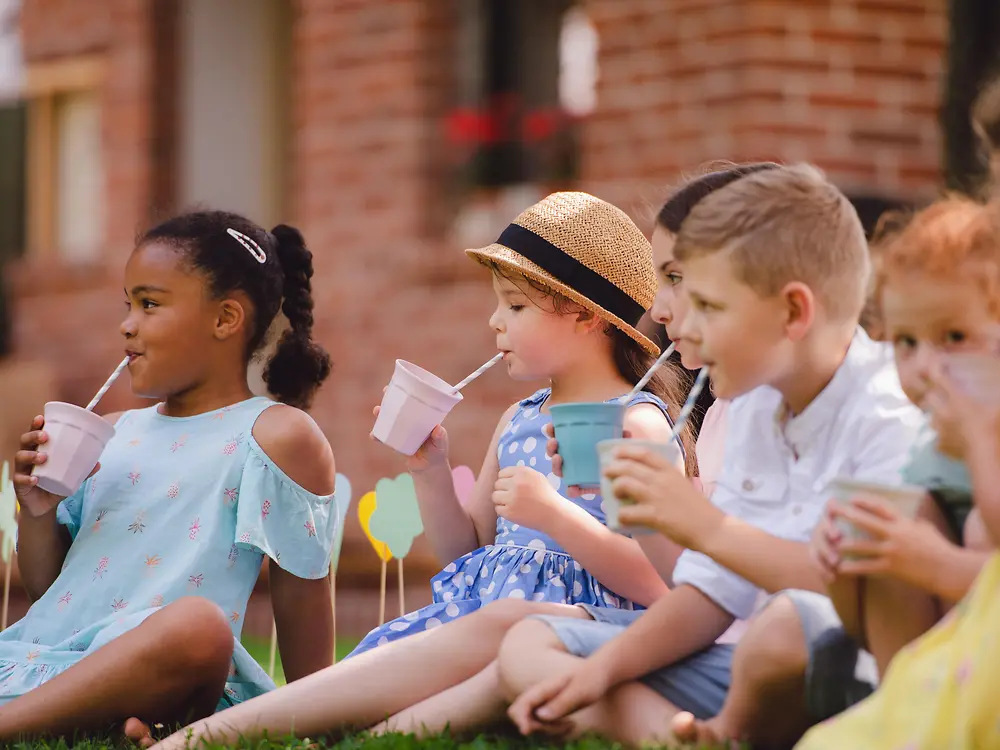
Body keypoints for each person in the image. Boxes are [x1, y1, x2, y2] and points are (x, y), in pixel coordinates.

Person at [151, 191, 693, 749]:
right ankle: (228, 734)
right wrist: (431, 468)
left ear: (583, 314)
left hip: (581, 628)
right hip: (477, 627)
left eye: (515, 306)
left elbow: (660, 583)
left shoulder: (640, 426)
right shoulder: (517, 420)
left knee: (410, 694)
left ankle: (214, 739)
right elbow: (470, 551)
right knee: (385, 679)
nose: (494, 321)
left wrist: (555, 516)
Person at [498, 164, 923, 747]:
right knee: (527, 646)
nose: (681, 328)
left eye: (708, 307)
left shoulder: (887, 414)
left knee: (781, 630)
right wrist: (601, 670)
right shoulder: (755, 405)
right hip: (749, 661)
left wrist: (704, 525)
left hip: (860, 673)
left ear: (794, 313)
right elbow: (712, 595)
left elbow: (866, 593)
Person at [4, 212, 337, 742]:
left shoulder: (275, 435)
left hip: (172, 662)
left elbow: (302, 594)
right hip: (50, 660)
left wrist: (319, 716)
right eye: (128, 304)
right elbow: (53, 591)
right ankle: (114, 724)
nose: (127, 324)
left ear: (226, 319)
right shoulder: (111, 433)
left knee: (199, 629)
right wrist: (38, 510)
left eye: (150, 304)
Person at [791, 196, 1000, 750]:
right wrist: (843, 568)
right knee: (888, 527)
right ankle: (905, 717)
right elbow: (866, 623)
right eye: (906, 342)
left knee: (974, 528)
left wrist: (935, 563)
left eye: (954, 337)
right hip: (928, 675)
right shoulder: (928, 454)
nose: (926, 368)